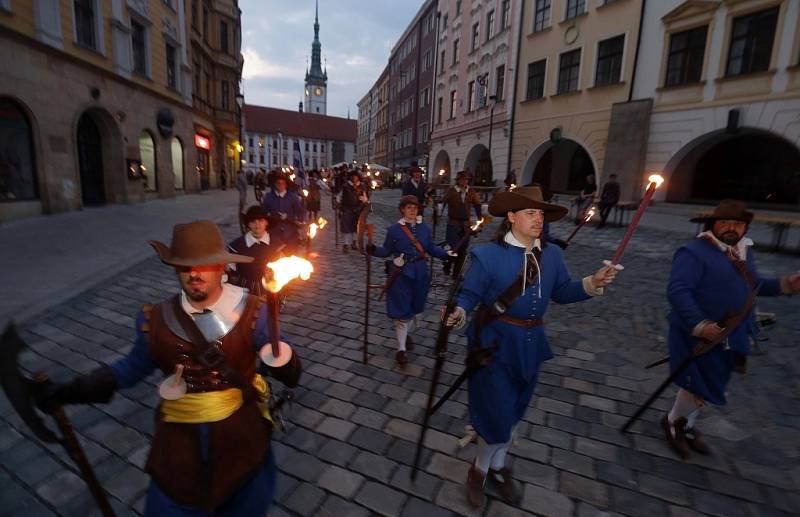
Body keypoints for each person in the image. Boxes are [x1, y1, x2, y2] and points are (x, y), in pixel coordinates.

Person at [35, 220, 302, 516]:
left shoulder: (254, 312)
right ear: (175, 269)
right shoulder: (156, 320)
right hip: (179, 446)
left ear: (222, 268)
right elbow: (130, 369)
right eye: (185, 266)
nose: (194, 274)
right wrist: (72, 390)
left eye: (204, 265)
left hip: (241, 442)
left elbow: (286, 364)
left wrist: (284, 363)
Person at [445, 185, 618, 508]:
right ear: (511, 217)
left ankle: (498, 467)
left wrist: (592, 283)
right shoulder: (487, 255)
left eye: (541, 213)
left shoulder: (551, 254)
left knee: (514, 412)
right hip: (493, 348)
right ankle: (479, 470)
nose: (539, 219)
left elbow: (563, 291)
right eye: (530, 213)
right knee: (496, 417)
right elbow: (469, 295)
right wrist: (459, 311)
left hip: (531, 346)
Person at [662, 200, 800, 459]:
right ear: (712, 224)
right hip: (696, 334)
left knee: (711, 383)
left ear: (745, 227)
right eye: (724, 222)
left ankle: (688, 426)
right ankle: (673, 423)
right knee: (695, 382)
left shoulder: (742, 252)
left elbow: (754, 285)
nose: (731, 228)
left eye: (737, 224)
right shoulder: (693, 252)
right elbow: (678, 292)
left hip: (731, 334)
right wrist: (700, 325)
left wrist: (786, 284)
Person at [367, 195, 455, 365]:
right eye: (409, 207)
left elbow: (430, 248)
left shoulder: (425, 229)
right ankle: (401, 349)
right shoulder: (394, 229)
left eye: (415, 207)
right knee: (401, 311)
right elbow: (386, 250)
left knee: (416, 311)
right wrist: (373, 249)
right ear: (402, 209)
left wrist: (446, 254)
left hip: (421, 274)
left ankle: (406, 335)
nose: (412, 210)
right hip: (400, 274)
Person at [227, 206, 283, 296]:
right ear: (248, 224)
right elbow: (231, 272)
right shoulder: (237, 246)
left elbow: (283, 270)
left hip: (270, 290)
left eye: (261, 221)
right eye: (253, 221)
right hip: (244, 290)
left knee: (269, 309)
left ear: (266, 222)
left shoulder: (276, 245)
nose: (257, 224)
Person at [441, 171, 482, 277]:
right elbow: (442, 202)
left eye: (466, 179)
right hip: (453, 223)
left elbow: (477, 205)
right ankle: (447, 265)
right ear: (458, 180)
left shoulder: (471, 192)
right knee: (452, 248)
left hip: (465, 225)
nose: (465, 181)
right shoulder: (451, 191)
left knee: (463, 250)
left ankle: (456, 273)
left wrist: (480, 218)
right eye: (463, 179)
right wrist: (437, 211)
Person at [261, 172, 304, 254]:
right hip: (274, 233)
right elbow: (264, 214)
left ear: (286, 185)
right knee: (274, 257)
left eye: (283, 183)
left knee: (291, 256)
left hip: (291, 233)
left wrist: (294, 220)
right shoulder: (268, 197)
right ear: (274, 184)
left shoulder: (293, 197)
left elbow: (300, 213)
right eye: (278, 183)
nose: (280, 185)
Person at [339, 169, 368, 253]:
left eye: (355, 176)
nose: (354, 178)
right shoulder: (345, 186)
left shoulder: (362, 186)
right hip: (347, 209)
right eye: (352, 176)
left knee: (356, 228)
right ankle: (345, 245)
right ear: (350, 177)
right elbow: (339, 196)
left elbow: (365, 198)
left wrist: (363, 203)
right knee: (346, 228)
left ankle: (354, 243)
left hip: (358, 210)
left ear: (358, 177)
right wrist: (337, 203)